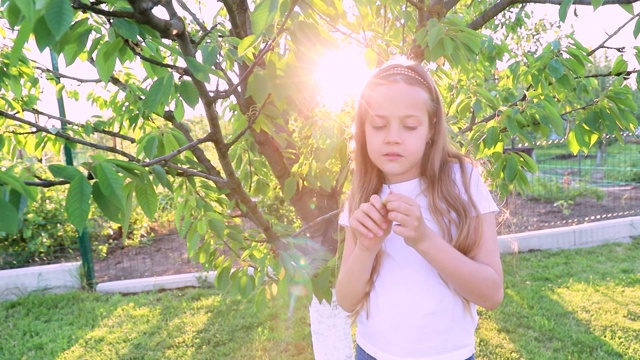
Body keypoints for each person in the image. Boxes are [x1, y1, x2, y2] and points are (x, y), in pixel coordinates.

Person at [335, 60, 504, 360]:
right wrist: (366, 248)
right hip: (372, 353)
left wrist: (425, 239)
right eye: (378, 124)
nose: (393, 137)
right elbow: (347, 301)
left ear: (431, 128)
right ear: (363, 130)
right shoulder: (363, 193)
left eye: (410, 125)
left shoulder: (462, 181)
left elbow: (491, 294)